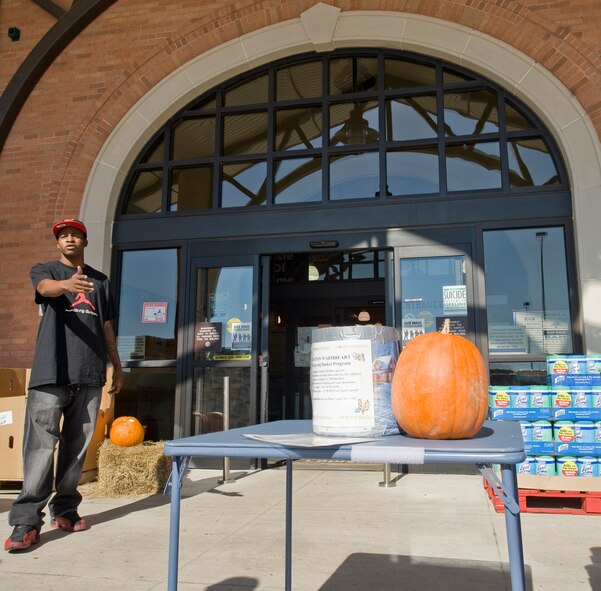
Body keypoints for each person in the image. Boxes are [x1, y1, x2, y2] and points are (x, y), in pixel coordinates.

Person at [4, 219, 123, 552]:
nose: (70, 239)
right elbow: (44, 291)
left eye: (76, 235)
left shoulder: (101, 281)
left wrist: (117, 363)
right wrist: (68, 283)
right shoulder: (46, 271)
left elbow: (108, 326)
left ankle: (66, 510)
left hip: (90, 373)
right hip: (50, 372)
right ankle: (26, 521)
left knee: (76, 450)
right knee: (40, 448)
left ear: (85, 240)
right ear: (59, 244)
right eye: (64, 236)